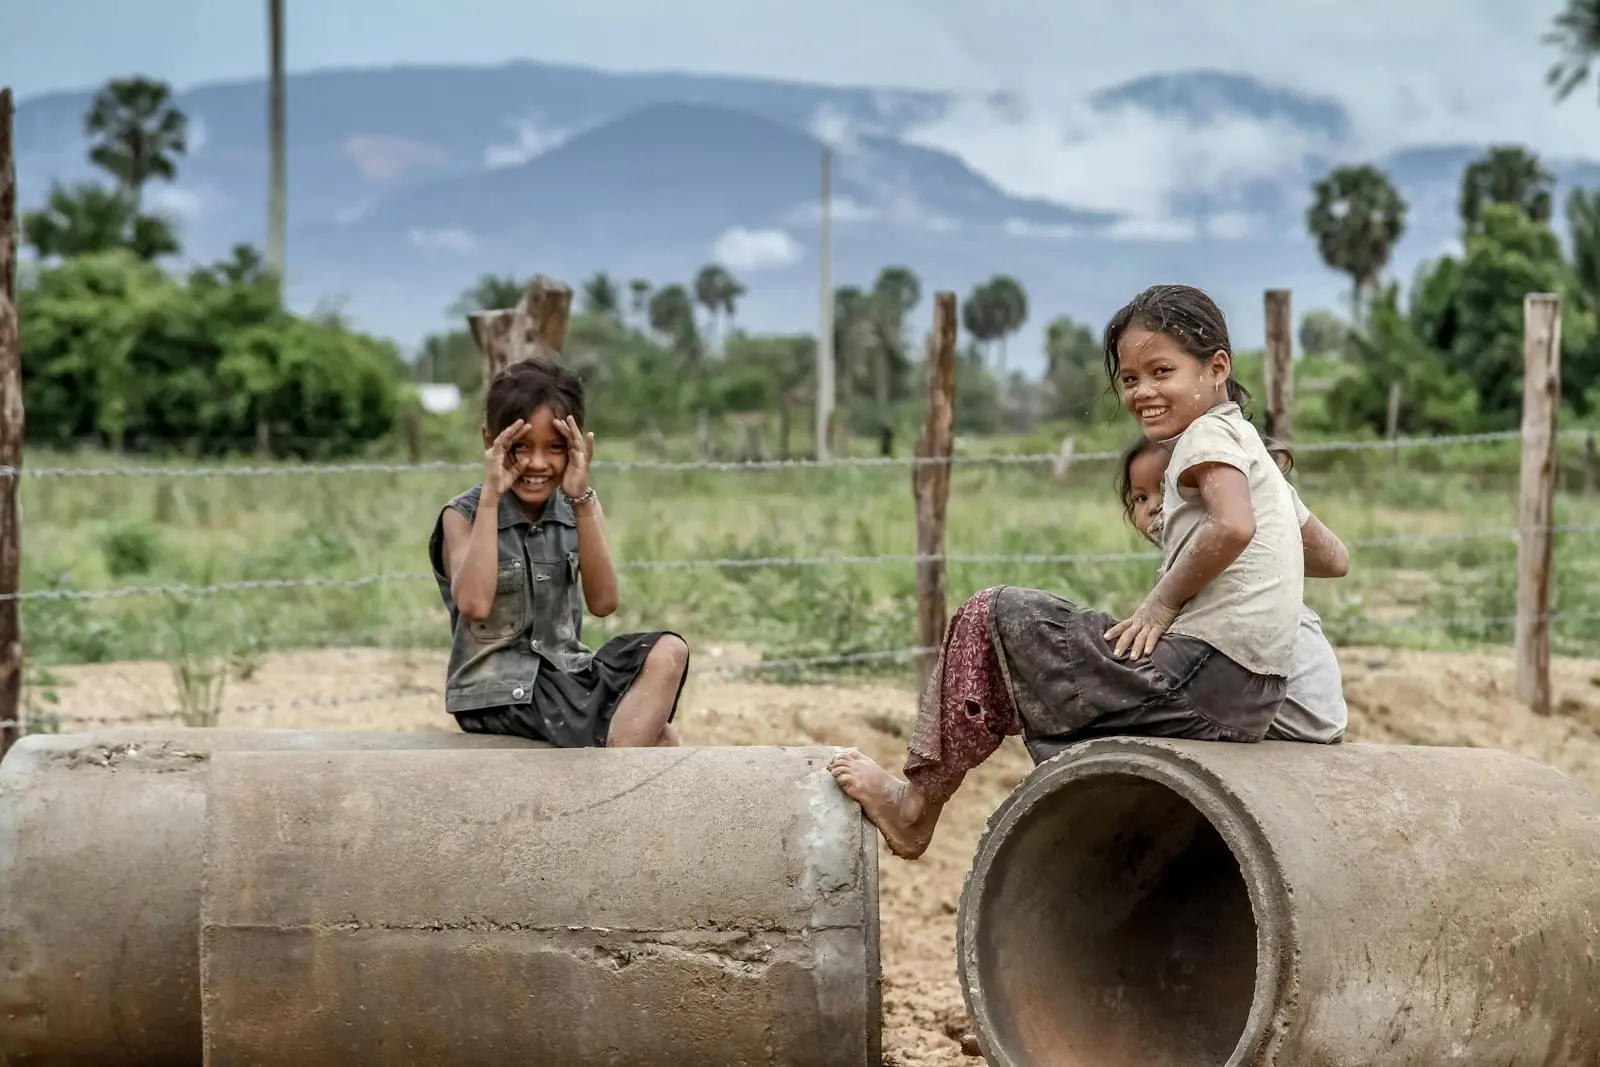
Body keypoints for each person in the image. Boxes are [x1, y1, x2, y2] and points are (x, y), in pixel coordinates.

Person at [829, 283, 1305, 859]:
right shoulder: (1252, 450)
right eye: (1130, 380)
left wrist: (1161, 603)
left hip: (1202, 679)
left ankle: (915, 808)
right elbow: (1333, 555)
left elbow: (1232, 528)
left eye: (1161, 371)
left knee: (992, 614)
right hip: (1252, 697)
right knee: (1056, 642)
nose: (1144, 392)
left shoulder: (1207, 435)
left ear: (1217, 368)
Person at [427, 358, 689, 748]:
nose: (537, 463)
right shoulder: (463, 515)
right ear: (490, 442)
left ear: (576, 446)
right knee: (656, 737)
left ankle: (613, 785)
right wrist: (491, 498)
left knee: (670, 652)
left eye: (555, 447)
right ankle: (615, 797)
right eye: (520, 447)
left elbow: (603, 602)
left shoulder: (579, 507)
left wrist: (581, 501)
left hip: (566, 679)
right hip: (499, 692)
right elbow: (475, 603)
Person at [1119, 433, 1350, 744]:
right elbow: (1336, 561)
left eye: (1166, 490)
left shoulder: (1226, 555)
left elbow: (1336, 560)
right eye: (1140, 498)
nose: (1153, 508)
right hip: (1318, 716)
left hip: (1295, 717)